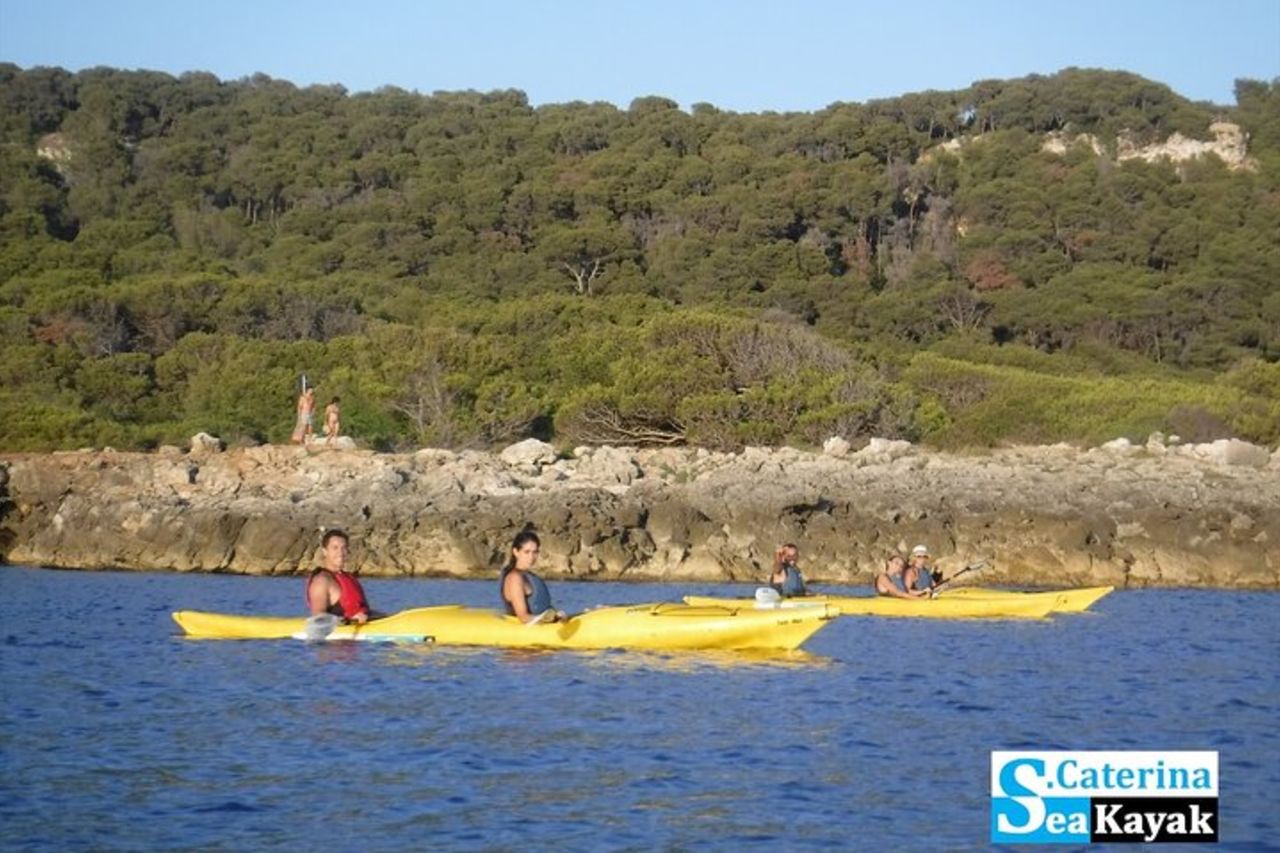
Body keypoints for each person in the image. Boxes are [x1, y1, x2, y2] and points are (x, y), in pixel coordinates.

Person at [305, 529, 372, 623]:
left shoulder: (349, 578)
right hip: (341, 633)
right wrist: (349, 620)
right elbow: (318, 617)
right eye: (335, 548)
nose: (340, 552)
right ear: (325, 551)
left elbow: (365, 611)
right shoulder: (321, 581)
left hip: (363, 629)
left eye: (343, 548)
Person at [499, 530, 562, 623]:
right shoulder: (514, 578)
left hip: (544, 625)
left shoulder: (530, 576)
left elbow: (544, 607)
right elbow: (523, 617)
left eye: (535, 552)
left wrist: (557, 615)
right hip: (526, 632)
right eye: (527, 552)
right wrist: (545, 620)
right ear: (516, 552)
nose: (531, 557)